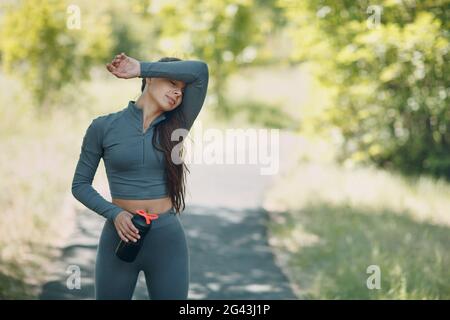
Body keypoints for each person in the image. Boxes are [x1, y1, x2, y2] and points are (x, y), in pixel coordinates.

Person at [71, 52, 209, 299]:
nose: (178, 93)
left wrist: (141, 67)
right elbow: (80, 185)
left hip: (167, 239)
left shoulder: (177, 126)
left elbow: (200, 71)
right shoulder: (103, 127)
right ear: (151, 80)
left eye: (182, 90)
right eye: (173, 83)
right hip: (119, 236)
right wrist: (115, 214)